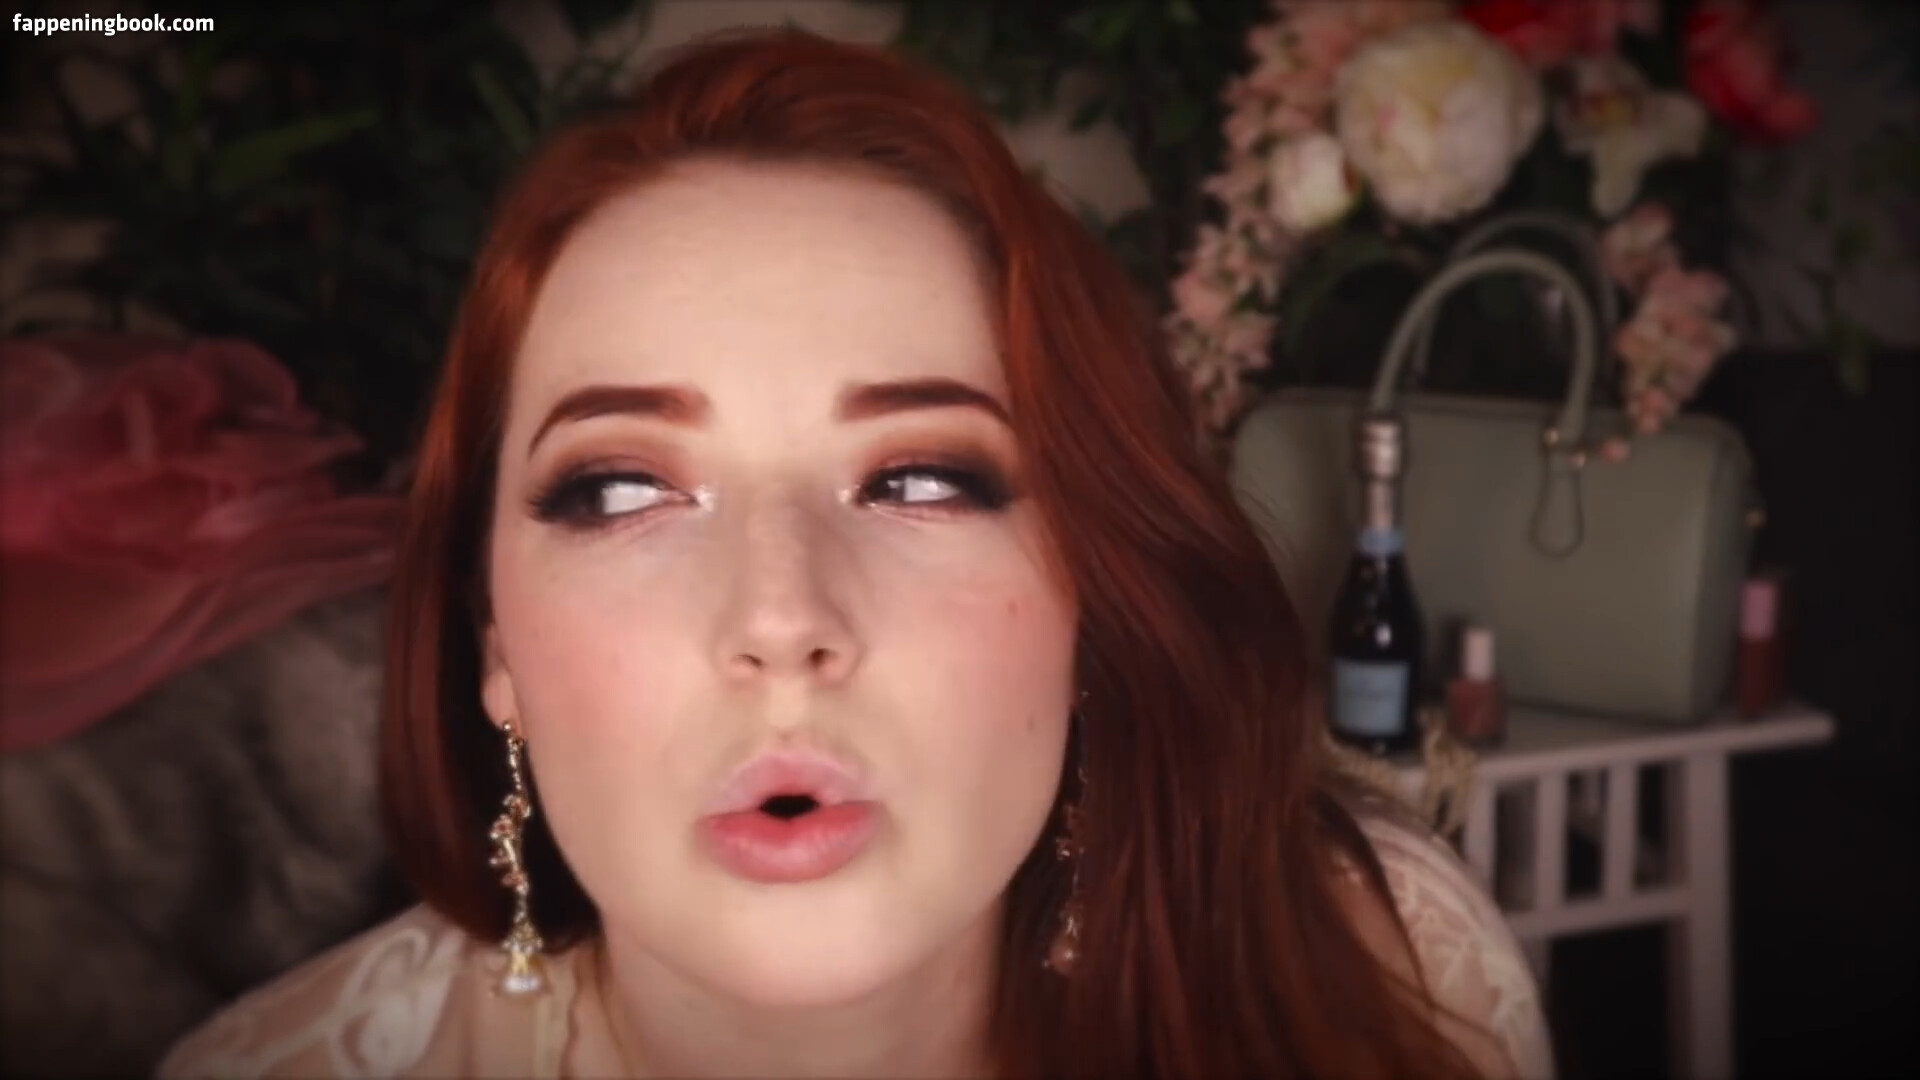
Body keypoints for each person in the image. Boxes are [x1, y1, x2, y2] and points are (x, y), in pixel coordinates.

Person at [159, 29, 1551, 1080]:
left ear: (1093, 600)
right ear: (496, 649)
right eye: (622, 489)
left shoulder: (1392, 977)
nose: (782, 618)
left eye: (922, 478)